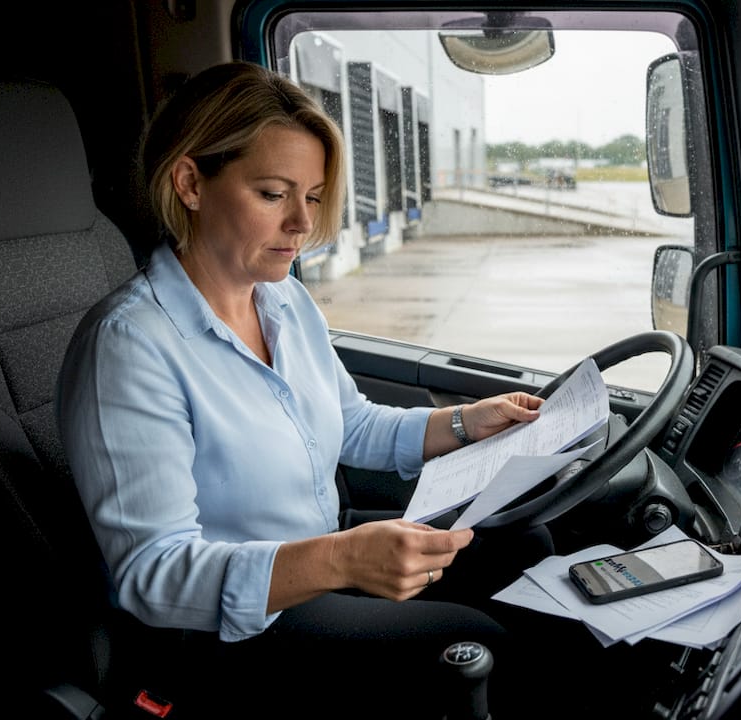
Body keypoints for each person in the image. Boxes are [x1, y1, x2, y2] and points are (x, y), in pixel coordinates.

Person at [56, 61, 568, 718]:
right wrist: (342, 561)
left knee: (526, 547)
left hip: (323, 558)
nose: (302, 223)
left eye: (315, 197)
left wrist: (469, 421)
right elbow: (153, 574)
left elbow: (350, 424)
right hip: (228, 632)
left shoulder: (283, 300)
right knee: (477, 641)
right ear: (190, 183)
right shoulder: (130, 346)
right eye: (274, 194)